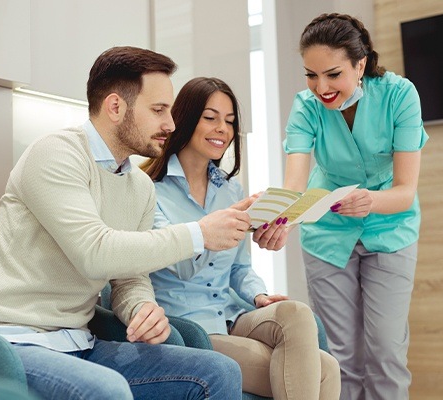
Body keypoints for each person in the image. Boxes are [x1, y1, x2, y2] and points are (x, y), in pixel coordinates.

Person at [0, 46, 250, 400]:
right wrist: (199, 234)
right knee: (106, 390)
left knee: (217, 371)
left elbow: (129, 277)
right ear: (115, 107)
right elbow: (95, 253)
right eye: (158, 110)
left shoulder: (139, 186)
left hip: (80, 341)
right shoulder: (55, 155)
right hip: (8, 342)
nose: (170, 124)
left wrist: (141, 307)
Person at [141, 77, 341, 400]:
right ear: (186, 118)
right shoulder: (149, 190)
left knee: (298, 314)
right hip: (191, 328)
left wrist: (259, 296)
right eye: (211, 117)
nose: (222, 128)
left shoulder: (230, 189)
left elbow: (239, 269)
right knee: (325, 371)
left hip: (232, 315)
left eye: (230, 121)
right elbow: (180, 266)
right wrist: (220, 225)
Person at [282, 13, 429, 400]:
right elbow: (294, 184)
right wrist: (279, 218)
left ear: (360, 63)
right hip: (327, 234)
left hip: (390, 229)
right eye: (311, 75)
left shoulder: (400, 95)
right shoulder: (305, 106)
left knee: (386, 352)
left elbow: (405, 191)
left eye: (333, 74)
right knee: (339, 358)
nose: (321, 87)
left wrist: (370, 201)